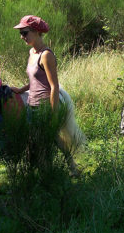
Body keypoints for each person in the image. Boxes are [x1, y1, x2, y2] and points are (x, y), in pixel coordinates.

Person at [10, 15, 81, 176]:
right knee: (50, 139)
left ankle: (46, 177)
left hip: (44, 105)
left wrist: (54, 113)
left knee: (41, 142)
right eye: (20, 33)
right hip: (31, 103)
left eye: (25, 32)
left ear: (36, 32)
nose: (22, 37)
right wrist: (21, 90)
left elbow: (53, 86)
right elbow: (35, 80)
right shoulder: (32, 52)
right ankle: (69, 167)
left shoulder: (46, 55)